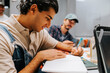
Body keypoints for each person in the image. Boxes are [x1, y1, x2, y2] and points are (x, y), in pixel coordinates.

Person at [0, 0, 83, 73]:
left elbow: (57, 44)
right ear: (33, 9)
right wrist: (39, 57)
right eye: (47, 18)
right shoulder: (2, 37)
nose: (48, 25)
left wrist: (74, 50)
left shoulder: (39, 32)